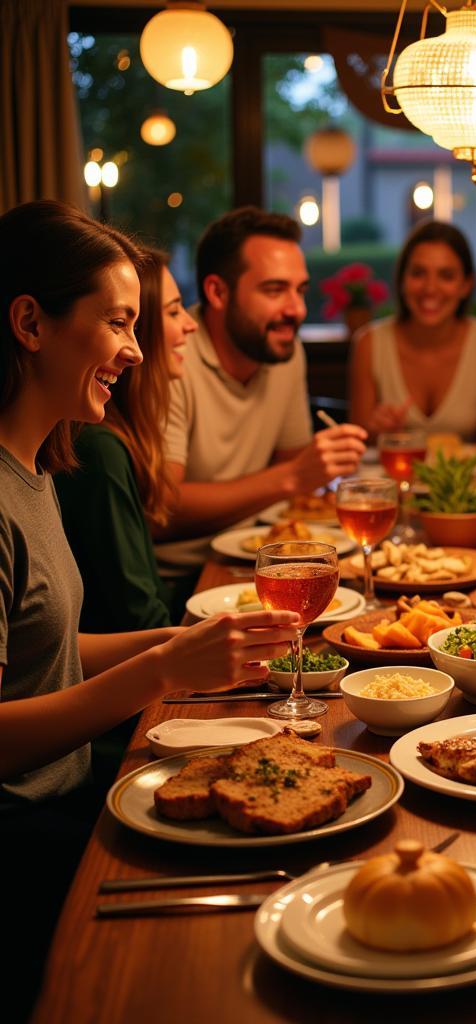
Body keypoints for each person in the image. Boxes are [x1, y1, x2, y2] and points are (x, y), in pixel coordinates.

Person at [0, 201, 299, 1018]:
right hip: (30, 840)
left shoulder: (33, 468)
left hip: (68, 805)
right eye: (120, 323)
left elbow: (45, 653)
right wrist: (161, 670)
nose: (140, 350)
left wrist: (178, 638)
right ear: (30, 322)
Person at [153, 206, 367, 574]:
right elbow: (161, 508)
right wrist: (292, 477)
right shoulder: (172, 355)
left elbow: (293, 470)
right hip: (183, 577)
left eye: (300, 291)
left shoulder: (283, 348)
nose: (296, 310)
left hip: (264, 560)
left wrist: (311, 471)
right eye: (275, 290)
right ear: (217, 292)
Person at [56, 248, 196, 631]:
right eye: (172, 311)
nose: (190, 325)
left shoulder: (121, 437)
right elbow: (138, 618)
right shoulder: (97, 449)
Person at [348, 220, 476, 444]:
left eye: (446, 275)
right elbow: (358, 447)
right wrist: (376, 432)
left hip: (466, 479)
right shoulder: (368, 343)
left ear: (466, 285)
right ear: (402, 281)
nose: (430, 288)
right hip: (391, 478)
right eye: (418, 273)